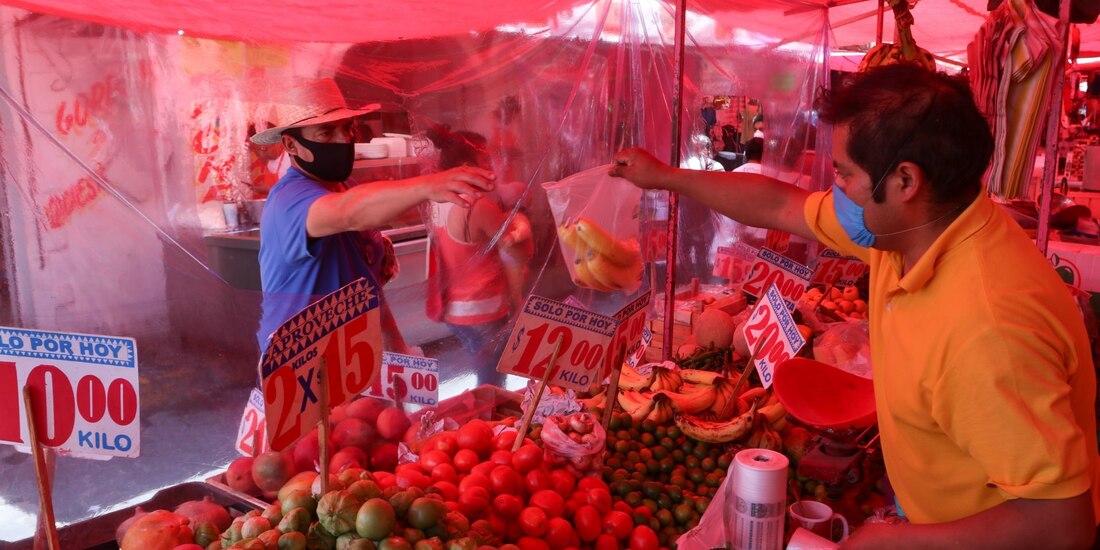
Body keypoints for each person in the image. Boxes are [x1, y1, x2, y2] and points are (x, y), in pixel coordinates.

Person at [611, 63, 1100, 549]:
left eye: (844, 173)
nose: (834, 186)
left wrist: (897, 543)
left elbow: (1062, 525)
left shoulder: (987, 327)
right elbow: (779, 206)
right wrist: (668, 178)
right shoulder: (915, 229)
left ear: (905, 181)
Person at [253, 79, 495, 355]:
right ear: (291, 145)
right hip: (298, 366)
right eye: (325, 133)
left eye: (347, 128)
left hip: (353, 359)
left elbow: (369, 285)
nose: (344, 139)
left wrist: (396, 345)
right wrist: (428, 185)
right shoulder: (288, 200)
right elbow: (347, 212)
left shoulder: (348, 187)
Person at [424, 125, 533, 386]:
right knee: (491, 380)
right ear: (465, 165)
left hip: (454, 309)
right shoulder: (479, 206)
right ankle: (488, 421)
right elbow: (513, 247)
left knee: (484, 369)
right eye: (486, 160)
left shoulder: (438, 200)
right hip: (483, 309)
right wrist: (520, 221)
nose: (492, 168)